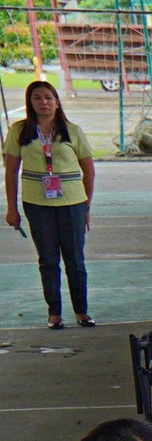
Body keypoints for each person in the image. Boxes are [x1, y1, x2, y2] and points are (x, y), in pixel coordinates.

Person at [5, 81, 94, 328]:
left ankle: (82, 311)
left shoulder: (72, 131)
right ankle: (54, 313)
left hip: (73, 203)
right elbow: (11, 171)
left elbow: (88, 169)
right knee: (48, 259)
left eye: (48, 97)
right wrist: (11, 208)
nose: (43, 102)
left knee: (75, 259)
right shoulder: (19, 131)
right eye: (37, 98)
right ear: (30, 102)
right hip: (37, 204)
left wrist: (86, 207)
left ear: (56, 101)